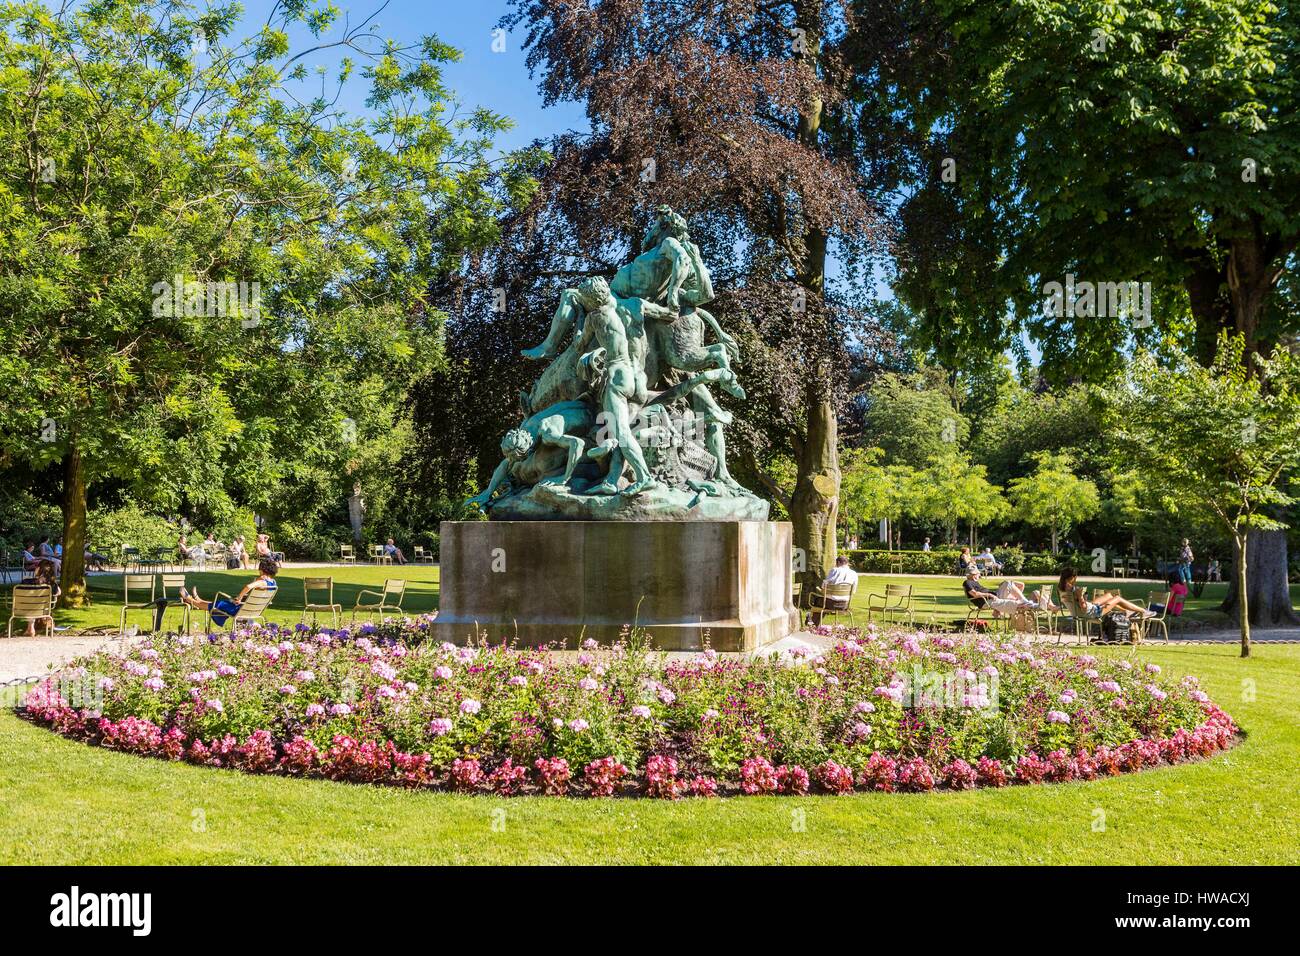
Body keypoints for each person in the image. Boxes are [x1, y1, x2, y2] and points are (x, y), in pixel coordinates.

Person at [179, 558, 279, 627]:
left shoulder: (262, 582)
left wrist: (239, 598)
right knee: (223, 603)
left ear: (262, 569)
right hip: (253, 610)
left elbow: (248, 586)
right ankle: (198, 600)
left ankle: (190, 600)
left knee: (217, 605)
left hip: (240, 610)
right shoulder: (273, 583)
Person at [1058, 568, 1153, 621]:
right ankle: (1143, 611)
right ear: (1072, 577)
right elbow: (1083, 608)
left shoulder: (1061, 589)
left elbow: (1079, 605)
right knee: (1117, 598)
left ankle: (1127, 611)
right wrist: (1080, 596)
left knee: (1109, 596)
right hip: (1092, 613)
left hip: (1080, 611)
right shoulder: (1074, 590)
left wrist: (1082, 597)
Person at [963, 568, 1057, 620]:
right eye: (978, 573)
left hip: (995, 597)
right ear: (973, 574)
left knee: (1035, 592)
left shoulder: (976, 583)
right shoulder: (967, 582)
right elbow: (974, 594)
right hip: (989, 600)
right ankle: (1029, 602)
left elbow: (1021, 585)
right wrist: (989, 595)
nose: (979, 575)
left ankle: (1048, 606)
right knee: (1007, 583)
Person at [810, 555, 859, 625]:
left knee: (818, 600)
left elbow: (824, 585)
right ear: (847, 563)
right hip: (845, 604)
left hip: (831, 604)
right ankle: (814, 623)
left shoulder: (835, 570)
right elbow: (853, 591)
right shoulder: (854, 573)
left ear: (838, 562)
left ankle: (813, 623)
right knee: (821, 601)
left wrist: (821, 589)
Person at [18, 560, 60, 636]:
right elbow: (58, 593)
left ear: (38, 569)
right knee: (35, 605)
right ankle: (30, 628)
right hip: (43, 609)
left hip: (22, 608)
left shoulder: (26, 582)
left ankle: (30, 627)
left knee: (30, 604)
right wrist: (52, 581)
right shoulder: (51, 585)